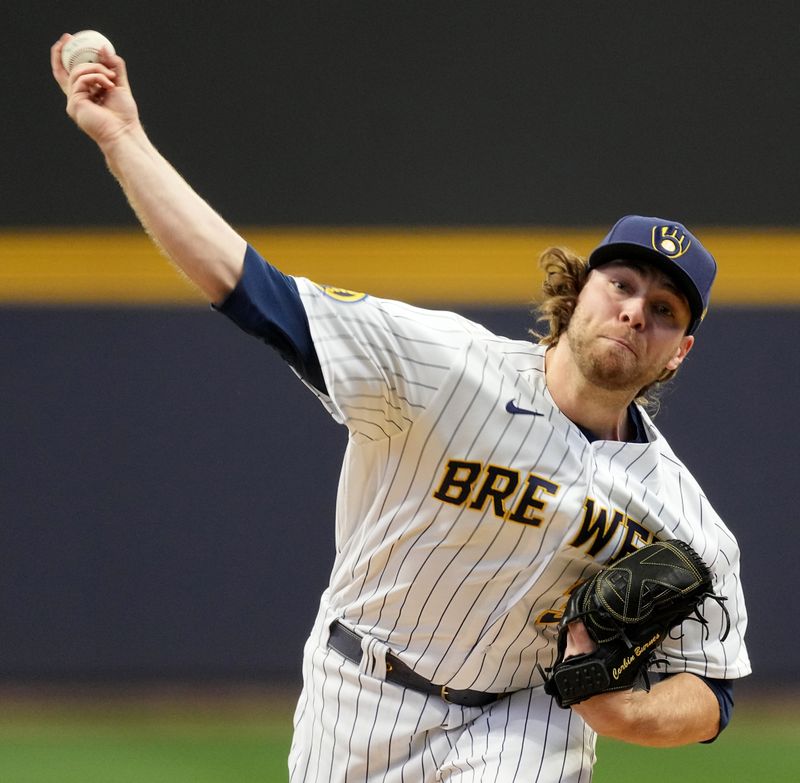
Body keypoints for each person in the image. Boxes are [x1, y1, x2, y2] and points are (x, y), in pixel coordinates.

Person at [51, 35, 750, 782]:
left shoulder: (682, 518)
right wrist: (124, 138)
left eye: (666, 308)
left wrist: (620, 711)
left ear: (680, 350)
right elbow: (251, 287)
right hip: (356, 689)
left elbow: (713, 686)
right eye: (622, 284)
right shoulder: (442, 368)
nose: (637, 310)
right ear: (582, 290)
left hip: (521, 715)